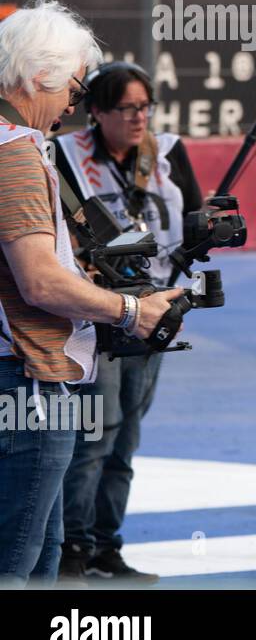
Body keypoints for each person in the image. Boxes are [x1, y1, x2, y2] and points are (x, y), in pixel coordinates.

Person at [0, 0, 183, 587]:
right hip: (28, 375)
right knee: (23, 562)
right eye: (74, 89)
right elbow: (39, 281)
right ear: (37, 75)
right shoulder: (19, 153)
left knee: (44, 558)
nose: (73, 105)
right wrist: (129, 309)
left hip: (21, 373)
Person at [53, 63, 204, 585]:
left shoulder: (168, 153)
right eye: (127, 108)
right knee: (96, 436)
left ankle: (107, 549)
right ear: (96, 111)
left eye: (145, 107)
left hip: (156, 314)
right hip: (96, 317)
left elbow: (194, 220)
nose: (140, 118)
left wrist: (201, 242)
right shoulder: (63, 155)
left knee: (126, 439)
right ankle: (73, 549)